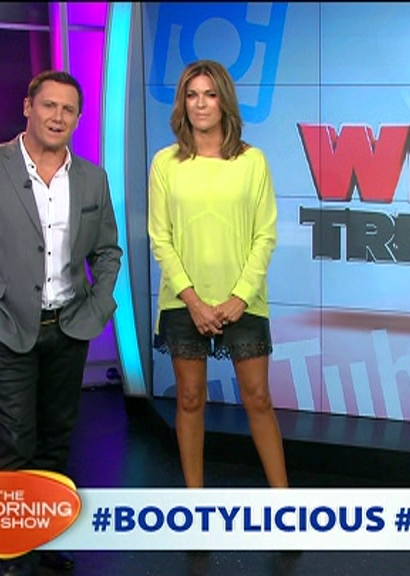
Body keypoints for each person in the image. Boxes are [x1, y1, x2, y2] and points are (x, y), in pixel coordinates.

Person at [0, 70, 121, 576]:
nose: (58, 117)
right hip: (7, 329)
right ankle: (15, 549)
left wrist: (98, 305)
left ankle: (47, 538)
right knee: (15, 442)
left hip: (70, 327)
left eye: (68, 110)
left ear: (77, 119)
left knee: (56, 441)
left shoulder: (92, 178)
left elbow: (107, 251)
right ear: (28, 107)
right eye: (49, 106)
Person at [148, 59, 288, 490]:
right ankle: (196, 503)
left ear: (224, 101)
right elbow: (160, 238)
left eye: (209, 94)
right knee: (190, 399)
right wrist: (193, 300)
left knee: (258, 398)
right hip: (183, 302)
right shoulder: (166, 163)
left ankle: (287, 502)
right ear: (182, 103)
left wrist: (240, 296)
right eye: (192, 95)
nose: (200, 104)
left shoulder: (253, 161)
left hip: (243, 301)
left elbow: (265, 235)